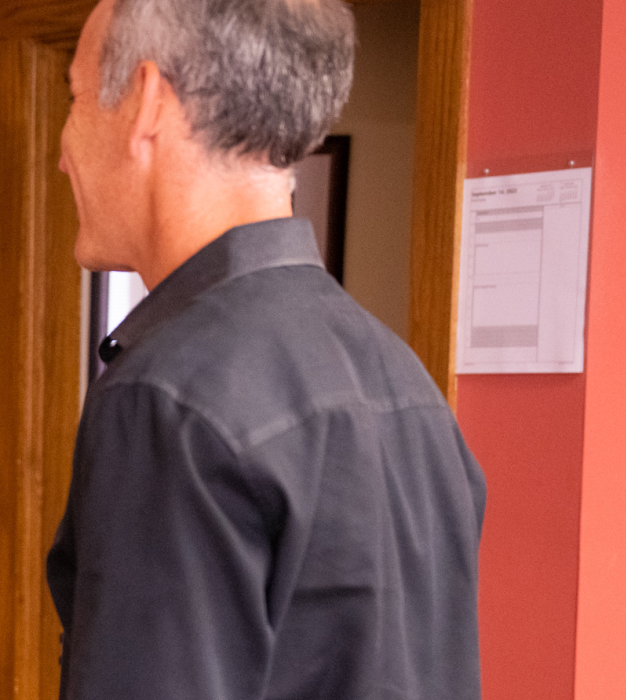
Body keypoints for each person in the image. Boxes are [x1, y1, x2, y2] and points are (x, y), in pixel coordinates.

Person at [45, 1, 486, 699]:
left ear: (148, 101)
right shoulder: (406, 383)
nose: (62, 154)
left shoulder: (167, 397)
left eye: (75, 98)